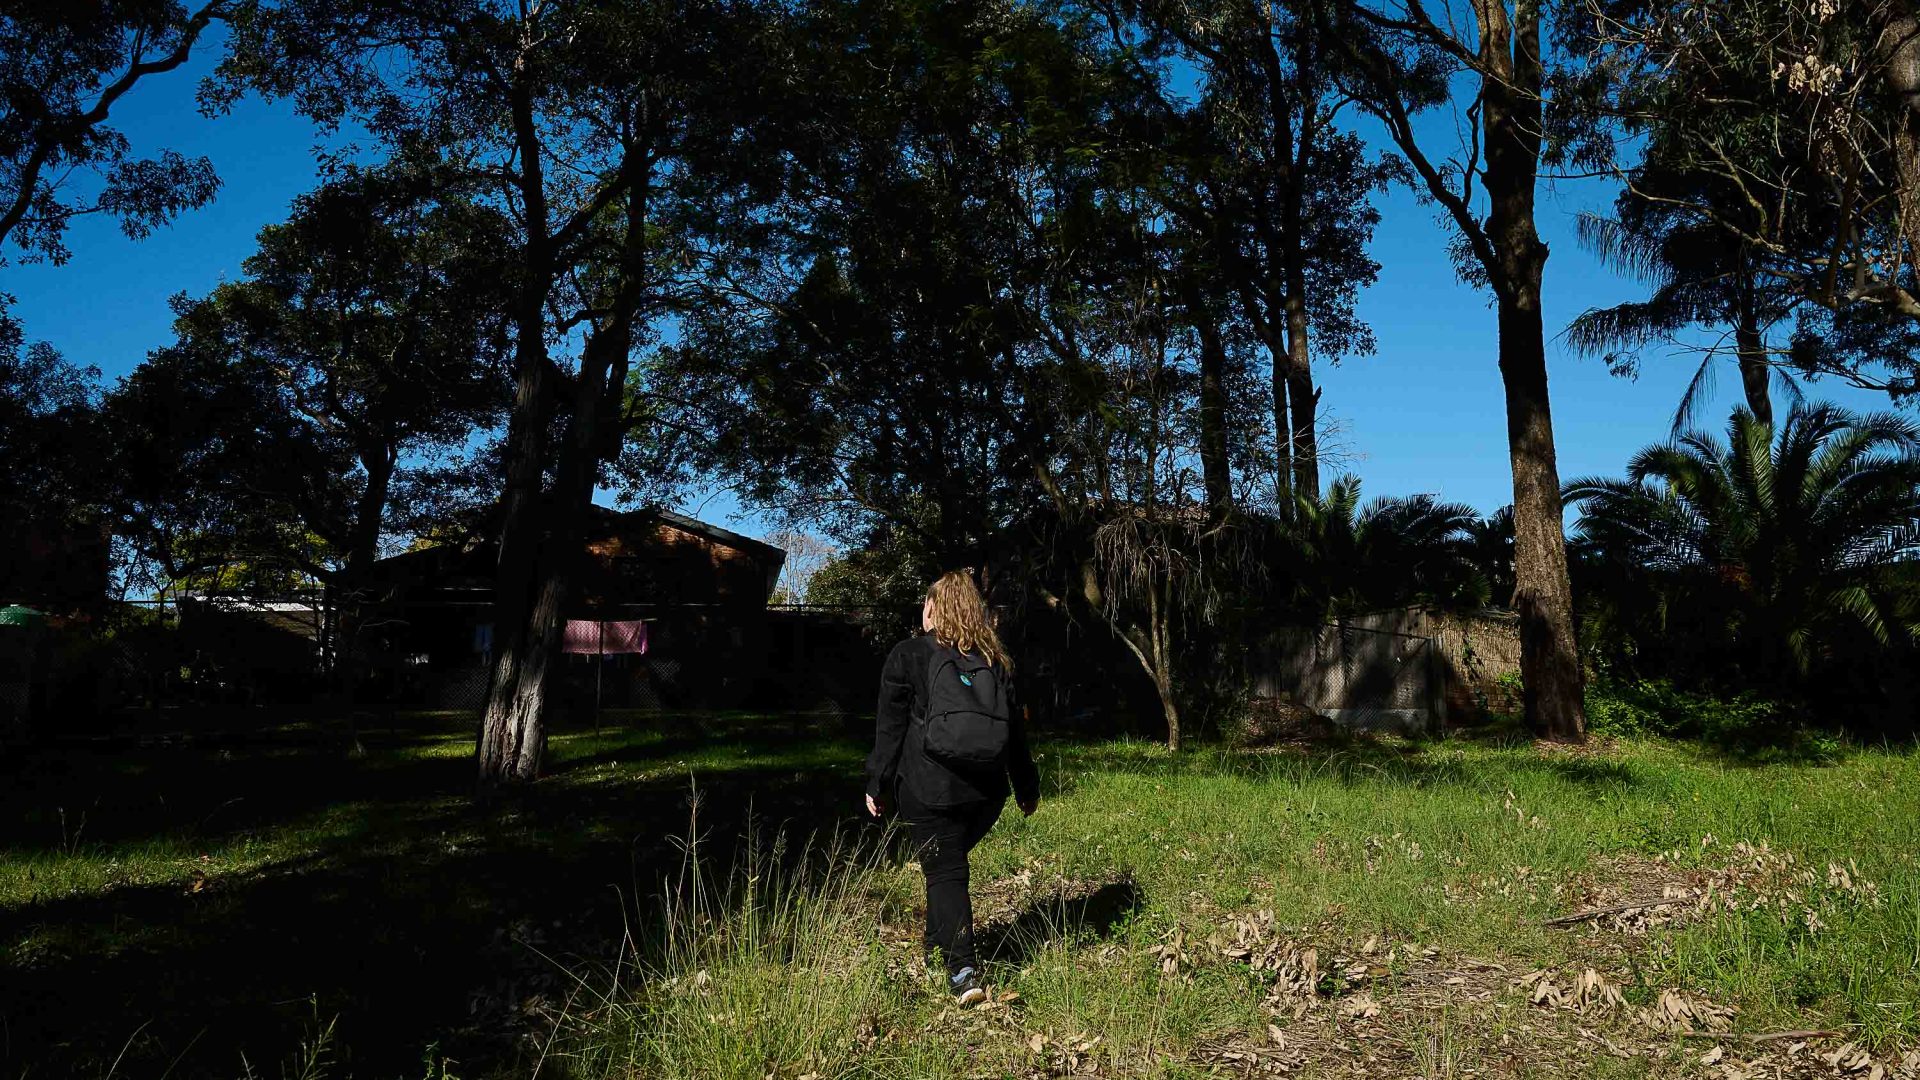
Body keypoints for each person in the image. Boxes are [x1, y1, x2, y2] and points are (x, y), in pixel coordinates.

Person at [865, 569, 1039, 1007]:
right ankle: (934, 944)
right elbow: (1015, 735)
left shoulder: (908, 655)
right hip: (987, 793)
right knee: (946, 864)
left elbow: (889, 729)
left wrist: (877, 783)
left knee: (946, 870)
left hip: (927, 789)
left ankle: (962, 968)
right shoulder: (995, 661)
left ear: (932, 609)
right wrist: (1026, 786)